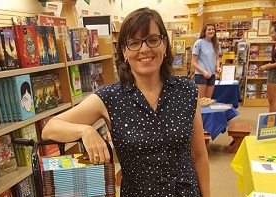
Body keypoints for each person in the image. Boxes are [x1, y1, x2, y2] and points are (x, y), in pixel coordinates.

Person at [42, 7, 210, 196]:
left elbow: (199, 155)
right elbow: (50, 129)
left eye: (153, 40)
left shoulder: (187, 90)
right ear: (124, 52)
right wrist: (84, 130)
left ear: (164, 44)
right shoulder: (110, 97)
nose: (145, 49)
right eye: (134, 43)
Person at [191, 23, 222, 99]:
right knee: (201, 100)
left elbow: (217, 58)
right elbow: (193, 62)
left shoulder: (216, 43)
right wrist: (203, 72)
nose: (211, 31)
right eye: (209, 29)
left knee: (208, 99)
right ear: (204, 31)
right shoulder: (199, 43)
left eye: (213, 29)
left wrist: (218, 67)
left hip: (211, 74)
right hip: (201, 75)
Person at [259, 24, 276, 112]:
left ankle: (273, 122)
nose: (271, 35)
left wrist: (267, 66)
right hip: (273, 72)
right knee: (272, 100)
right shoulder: (275, 45)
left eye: (272, 33)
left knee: (273, 101)